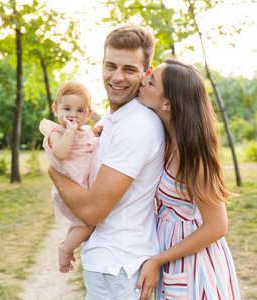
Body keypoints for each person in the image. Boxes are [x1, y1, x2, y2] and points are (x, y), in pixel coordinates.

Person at [48, 25, 165, 299]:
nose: (117, 77)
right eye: (111, 66)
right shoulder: (114, 121)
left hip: (118, 269)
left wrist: (54, 170)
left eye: (129, 69)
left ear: (147, 72)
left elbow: (93, 211)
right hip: (113, 268)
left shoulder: (136, 126)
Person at [134, 59, 241, 300]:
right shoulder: (165, 138)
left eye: (151, 82)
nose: (143, 81)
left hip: (194, 263)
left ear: (167, 103)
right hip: (173, 257)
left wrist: (158, 260)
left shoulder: (192, 154)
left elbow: (217, 226)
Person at [39, 80, 98, 273]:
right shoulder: (56, 132)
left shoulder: (85, 132)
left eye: (80, 111)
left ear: (88, 115)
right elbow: (60, 153)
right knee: (90, 222)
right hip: (69, 188)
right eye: (67, 109)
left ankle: (67, 242)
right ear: (56, 110)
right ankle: (65, 249)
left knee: (80, 222)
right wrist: (70, 132)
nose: (73, 115)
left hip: (80, 186)